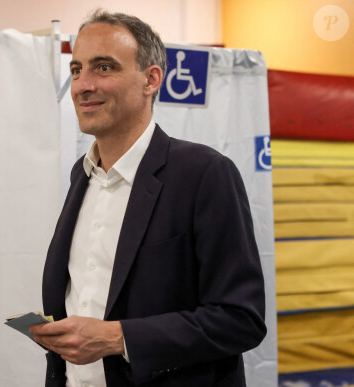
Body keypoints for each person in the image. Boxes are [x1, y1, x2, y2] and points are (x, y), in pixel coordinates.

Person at [29, 10, 267, 387]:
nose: (83, 85)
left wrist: (118, 338)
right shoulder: (82, 174)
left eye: (103, 68)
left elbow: (241, 319)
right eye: (76, 70)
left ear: (150, 79)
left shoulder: (204, 174)